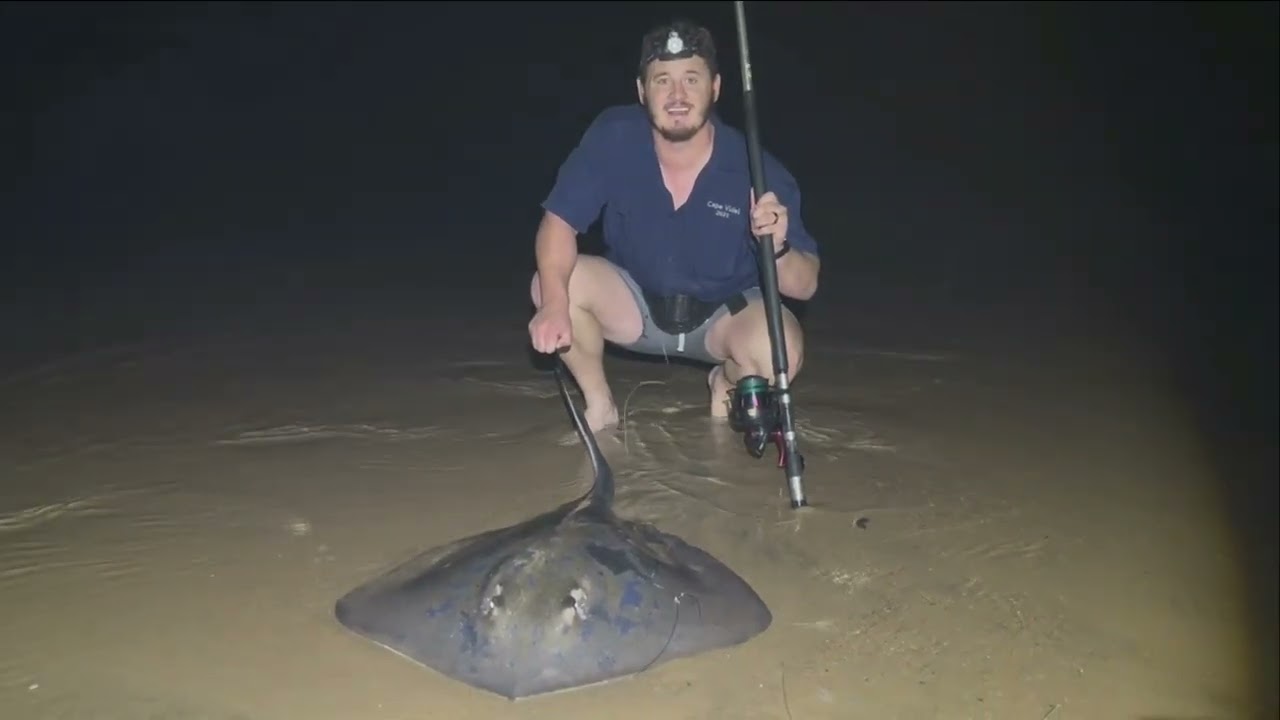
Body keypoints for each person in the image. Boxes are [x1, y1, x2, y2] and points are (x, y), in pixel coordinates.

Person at [528, 19, 821, 433]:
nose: (678, 95)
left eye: (692, 79)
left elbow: (805, 284)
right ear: (641, 91)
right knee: (550, 286)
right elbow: (558, 223)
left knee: (781, 353)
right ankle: (600, 406)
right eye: (662, 80)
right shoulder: (613, 137)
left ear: (715, 88)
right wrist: (555, 307)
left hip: (724, 316)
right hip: (635, 306)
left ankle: (726, 381)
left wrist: (778, 247)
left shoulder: (757, 168)